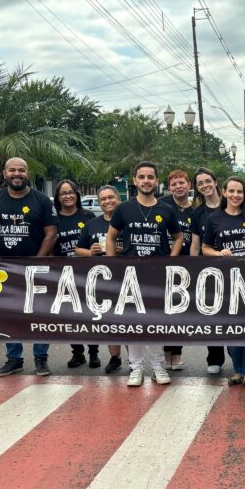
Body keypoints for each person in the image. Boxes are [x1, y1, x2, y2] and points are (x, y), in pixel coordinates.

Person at [107, 161, 184, 387]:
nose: (146, 181)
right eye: (142, 177)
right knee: (133, 323)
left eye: (150, 177)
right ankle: (136, 368)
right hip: (130, 276)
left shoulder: (166, 210)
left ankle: (158, 366)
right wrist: (112, 266)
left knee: (155, 322)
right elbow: (111, 237)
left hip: (156, 276)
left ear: (156, 181)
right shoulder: (124, 209)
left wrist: (170, 261)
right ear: (135, 180)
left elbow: (178, 237)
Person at [0, 157, 59, 377]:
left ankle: (41, 359)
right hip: (4, 269)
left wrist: (38, 261)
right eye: (12, 170)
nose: (17, 174)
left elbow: (51, 233)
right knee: (9, 315)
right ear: (5, 173)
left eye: (21, 170)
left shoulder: (42, 200)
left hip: (36, 268)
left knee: (40, 314)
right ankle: (14, 359)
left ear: (28, 174)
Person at [202, 176, 245, 387]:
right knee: (231, 327)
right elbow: (205, 249)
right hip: (225, 281)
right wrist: (218, 253)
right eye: (231, 191)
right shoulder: (214, 219)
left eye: (239, 192)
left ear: (244, 195)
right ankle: (237, 370)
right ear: (224, 192)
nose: (235, 195)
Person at [75, 185, 125, 374]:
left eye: (111, 197)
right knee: (109, 320)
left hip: (125, 278)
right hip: (100, 279)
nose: (107, 201)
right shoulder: (92, 224)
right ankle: (115, 357)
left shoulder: (127, 221)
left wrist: (122, 250)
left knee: (128, 321)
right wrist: (90, 251)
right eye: (103, 199)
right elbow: (78, 250)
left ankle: (135, 361)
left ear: (118, 199)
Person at [53, 179, 100, 370]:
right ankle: (77, 352)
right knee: (70, 315)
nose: (68, 196)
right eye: (63, 193)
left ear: (77, 195)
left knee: (89, 314)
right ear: (58, 197)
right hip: (62, 273)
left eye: (71, 192)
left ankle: (94, 352)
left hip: (86, 272)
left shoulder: (88, 216)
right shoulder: (53, 219)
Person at [188, 167, 226, 375]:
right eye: (200, 183)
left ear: (215, 181)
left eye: (207, 181)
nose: (205, 186)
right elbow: (195, 244)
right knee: (212, 316)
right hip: (208, 271)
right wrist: (194, 270)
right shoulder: (198, 213)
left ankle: (240, 358)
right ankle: (215, 358)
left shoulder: (232, 203)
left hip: (234, 269)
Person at [161, 170, 199, 371]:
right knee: (166, 312)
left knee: (180, 311)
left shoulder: (196, 209)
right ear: (169, 187)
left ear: (189, 185)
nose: (178, 186)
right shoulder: (162, 206)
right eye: (174, 183)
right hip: (163, 263)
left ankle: (177, 352)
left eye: (182, 183)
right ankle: (167, 352)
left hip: (188, 265)